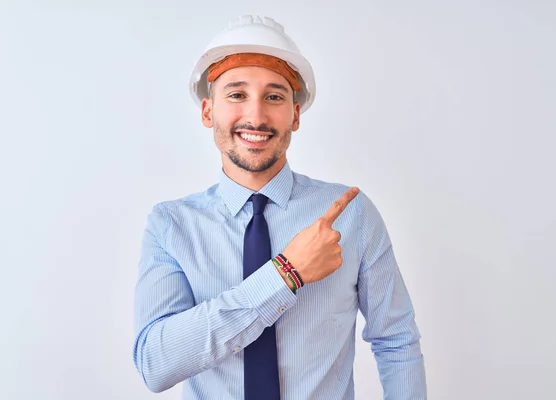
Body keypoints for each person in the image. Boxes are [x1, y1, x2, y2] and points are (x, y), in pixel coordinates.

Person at [133, 14, 427, 400]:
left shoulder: (350, 214)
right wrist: (285, 274)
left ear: (295, 114)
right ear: (208, 111)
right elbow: (156, 365)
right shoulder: (171, 225)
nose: (256, 115)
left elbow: (396, 342)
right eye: (237, 94)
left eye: (274, 96)